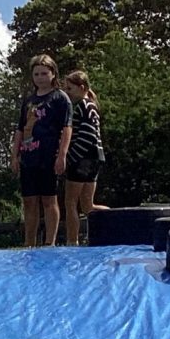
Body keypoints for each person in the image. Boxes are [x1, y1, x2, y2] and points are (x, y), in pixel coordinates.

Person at [11, 55, 72, 247]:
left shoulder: (60, 98)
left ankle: (49, 242)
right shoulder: (29, 101)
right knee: (29, 201)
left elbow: (67, 128)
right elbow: (20, 129)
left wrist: (62, 155)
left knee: (48, 199)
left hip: (49, 156)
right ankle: (29, 242)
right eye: (36, 74)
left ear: (53, 74)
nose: (40, 77)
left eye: (44, 73)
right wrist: (14, 155)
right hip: (29, 156)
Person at [62, 70, 105, 246]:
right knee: (88, 205)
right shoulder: (91, 106)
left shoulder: (84, 105)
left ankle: (73, 241)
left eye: (70, 88)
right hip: (95, 157)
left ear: (81, 88)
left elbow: (88, 135)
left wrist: (71, 157)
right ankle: (112, 219)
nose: (68, 92)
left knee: (70, 201)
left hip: (83, 157)